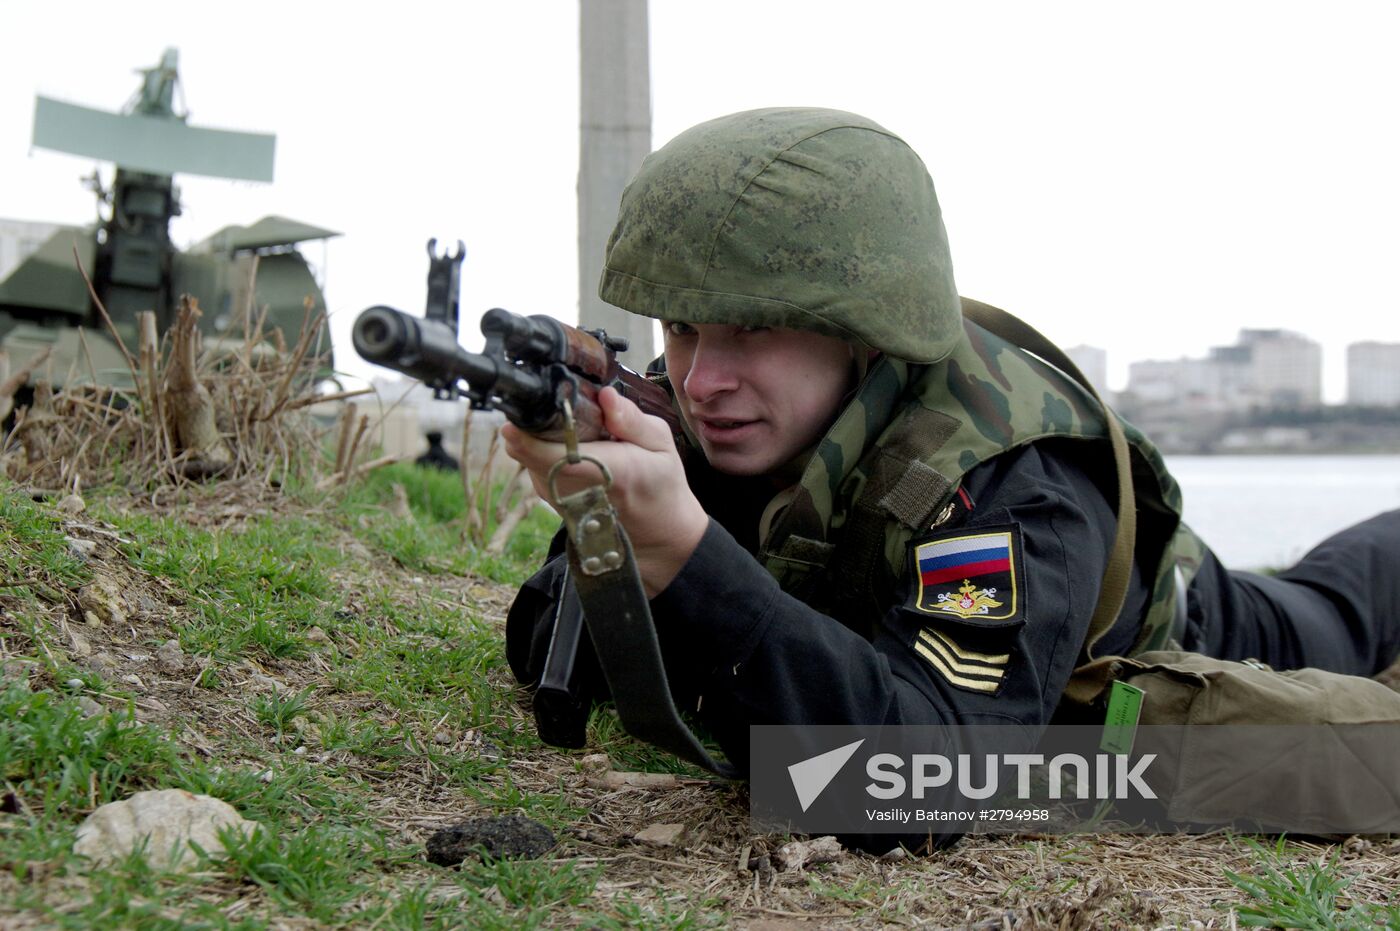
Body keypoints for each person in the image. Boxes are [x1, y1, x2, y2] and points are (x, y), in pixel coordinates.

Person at [501, 108, 1400, 848]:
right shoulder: (709, 418)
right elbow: (542, 640)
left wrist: (687, 556)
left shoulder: (1009, 486)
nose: (701, 380)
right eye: (684, 328)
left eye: (753, 331)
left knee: (1349, 604)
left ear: (865, 330)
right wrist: (612, 531)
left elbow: (925, 785)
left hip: (1227, 628)